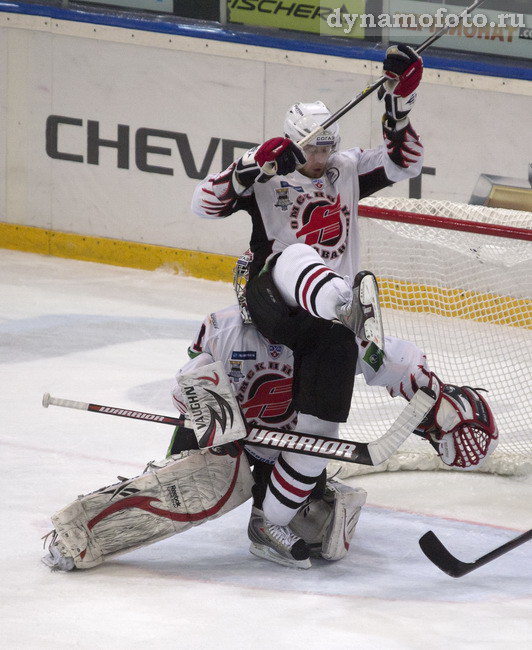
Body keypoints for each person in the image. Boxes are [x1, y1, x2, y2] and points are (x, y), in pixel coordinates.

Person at [169, 253, 499, 569]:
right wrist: (202, 409)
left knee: (319, 526)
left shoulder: (323, 338)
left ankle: (266, 525)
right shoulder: (221, 328)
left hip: (288, 448)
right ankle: (169, 468)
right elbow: (190, 379)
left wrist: (436, 400)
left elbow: (393, 359)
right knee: (185, 452)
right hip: (232, 436)